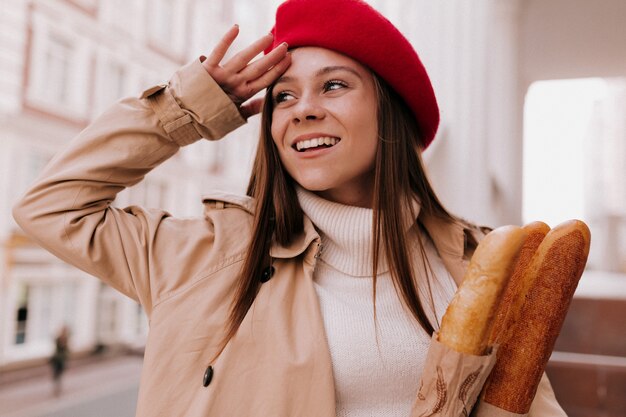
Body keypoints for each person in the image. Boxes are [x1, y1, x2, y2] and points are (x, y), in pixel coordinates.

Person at [13, 0, 567, 415]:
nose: (303, 110)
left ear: (388, 112)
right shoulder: (201, 258)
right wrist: (189, 108)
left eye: (333, 86)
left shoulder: (477, 266)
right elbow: (53, 205)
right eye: (283, 95)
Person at [50, 325, 69, 397]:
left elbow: (67, 350)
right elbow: (57, 346)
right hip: (57, 359)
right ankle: (56, 386)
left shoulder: (66, 339)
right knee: (56, 373)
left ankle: (58, 387)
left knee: (60, 373)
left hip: (62, 359)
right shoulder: (58, 339)